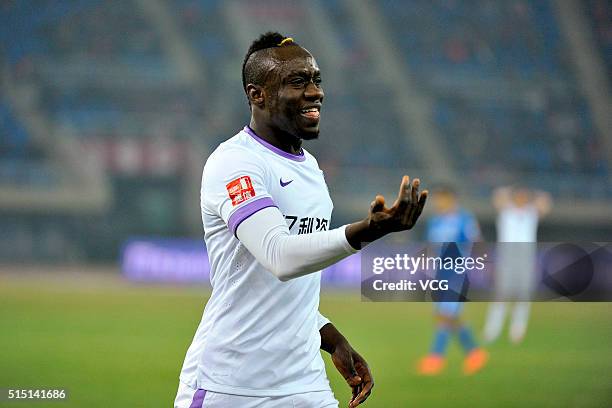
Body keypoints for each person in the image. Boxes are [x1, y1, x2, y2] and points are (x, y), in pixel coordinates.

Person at [174, 32, 428, 408]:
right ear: (256, 94)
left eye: (316, 80)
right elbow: (280, 257)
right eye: (298, 82)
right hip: (230, 386)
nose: (315, 92)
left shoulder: (309, 167)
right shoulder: (235, 163)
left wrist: (331, 337)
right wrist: (366, 231)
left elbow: (292, 287)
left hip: (304, 384)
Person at [417, 185, 488, 375]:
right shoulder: (435, 222)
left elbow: (476, 242)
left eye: (442, 199)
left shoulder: (464, 219)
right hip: (440, 273)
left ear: (452, 199)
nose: (439, 203)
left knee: (445, 315)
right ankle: (475, 353)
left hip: (457, 272)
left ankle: (435, 358)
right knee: (448, 315)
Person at [482, 186, 552, 344]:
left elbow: (545, 203)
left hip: (525, 258)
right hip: (507, 257)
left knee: (523, 296)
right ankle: (492, 330)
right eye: (518, 196)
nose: (521, 199)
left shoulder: (531, 212)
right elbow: (497, 197)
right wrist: (507, 191)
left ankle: (517, 331)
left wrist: (536, 195)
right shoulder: (507, 211)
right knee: (501, 295)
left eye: (524, 196)